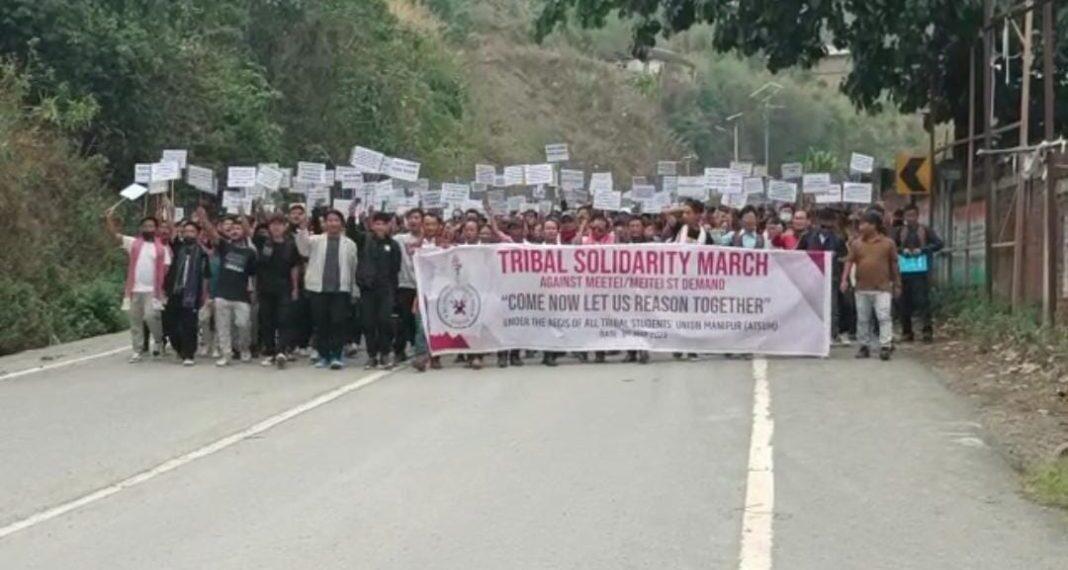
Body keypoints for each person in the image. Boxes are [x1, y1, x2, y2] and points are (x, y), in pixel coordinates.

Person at [297, 209, 359, 370]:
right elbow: (303, 249)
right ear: (324, 223)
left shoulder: (349, 244)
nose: (333, 223)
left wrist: (354, 289)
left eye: (336, 220)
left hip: (340, 290)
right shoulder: (316, 240)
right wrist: (303, 228)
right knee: (321, 323)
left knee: (338, 322)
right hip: (318, 289)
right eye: (329, 220)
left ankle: (336, 355)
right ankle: (324, 355)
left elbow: (353, 268)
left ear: (341, 224)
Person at [106, 212, 172, 363]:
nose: (148, 229)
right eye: (145, 226)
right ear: (141, 228)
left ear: (156, 229)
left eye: (151, 226)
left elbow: (166, 271)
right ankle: (137, 350)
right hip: (135, 290)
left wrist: (162, 291)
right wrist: (109, 219)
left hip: (152, 291)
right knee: (135, 321)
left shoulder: (162, 248)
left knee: (151, 317)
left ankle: (158, 341)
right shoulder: (133, 243)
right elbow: (115, 236)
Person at [842, 210, 901, 361]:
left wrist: (897, 283)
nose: (860, 227)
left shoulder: (888, 243)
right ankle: (864, 346)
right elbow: (849, 262)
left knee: (884, 316)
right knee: (863, 318)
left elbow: (894, 264)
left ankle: (885, 346)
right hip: (861, 287)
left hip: (882, 287)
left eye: (864, 224)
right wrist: (844, 280)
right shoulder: (856, 244)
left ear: (874, 225)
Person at [351, 211, 403, 370]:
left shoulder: (393, 245)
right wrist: (352, 216)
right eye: (377, 223)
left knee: (384, 321)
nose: (380, 227)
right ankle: (372, 355)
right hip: (367, 289)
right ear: (372, 225)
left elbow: (395, 268)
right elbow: (351, 233)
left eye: (383, 224)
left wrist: (393, 291)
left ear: (389, 226)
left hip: (386, 290)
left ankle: (385, 353)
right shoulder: (364, 240)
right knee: (368, 323)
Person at [255, 214, 301, 368]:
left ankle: (281, 350)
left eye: (280, 224)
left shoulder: (290, 245)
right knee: (267, 321)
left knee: (284, 319)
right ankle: (270, 352)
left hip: (284, 287)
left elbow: (294, 267)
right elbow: (248, 231)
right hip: (265, 288)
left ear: (285, 226)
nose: (276, 227)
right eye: (273, 224)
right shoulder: (263, 242)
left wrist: (295, 288)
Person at [797, 209, 849, 344]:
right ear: (817, 223)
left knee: (832, 308)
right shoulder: (807, 237)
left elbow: (845, 259)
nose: (825, 230)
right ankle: (809, 334)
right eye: (823, 226)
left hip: (831, 278)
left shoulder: (838, 239)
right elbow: (797, 256)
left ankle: (831, 334)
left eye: (829, 227)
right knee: (810, 306)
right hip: (811, 278)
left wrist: (843, 277)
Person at [163, 221, 211, 366]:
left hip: (192, 293)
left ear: (197, 234)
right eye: (186, 231)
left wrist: (204, 294)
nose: (189, 234)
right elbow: (171, 229)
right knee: (171, 323)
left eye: (192, 231)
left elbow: (206, 275)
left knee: (189, 325)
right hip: (175, 291)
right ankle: (179, 348)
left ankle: (189, 354)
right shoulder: (177, 248)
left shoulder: (203, 253)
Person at [895, 204, 943, 343]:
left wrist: (922, 250)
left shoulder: (925, 230)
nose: (910, 219)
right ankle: (907, 332)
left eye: (913, 216)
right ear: (904, 217)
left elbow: (939, 244)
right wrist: (902, 251)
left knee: (923, 302)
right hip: (904, 272)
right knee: (904, 302)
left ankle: (927, 331)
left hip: (921, 272)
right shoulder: (899, 231)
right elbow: (892, 246)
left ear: (917, 216)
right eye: (908, 216)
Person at [212, 218, 258, 366]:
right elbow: (211, 232)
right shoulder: (225, 247)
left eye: (238, 228)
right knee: (223, 327)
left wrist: (254, 291)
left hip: (241, 295)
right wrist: (203, 218)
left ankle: (244, 348)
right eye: (232, 229)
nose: (234, 231)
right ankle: (226, 354)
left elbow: (253, 274)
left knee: (243, 324)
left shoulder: (250, 252)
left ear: (244, 232)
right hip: (222, 294)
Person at [393, 208, 424, 362]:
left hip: (424, 286)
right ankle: (399, 351)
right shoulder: (399, 239)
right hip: (405, 285)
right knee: (403, 319)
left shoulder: (430, 241)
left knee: (420, 321)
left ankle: (421, 349)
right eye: (410, 218)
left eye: (416, 217)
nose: (413, 221)